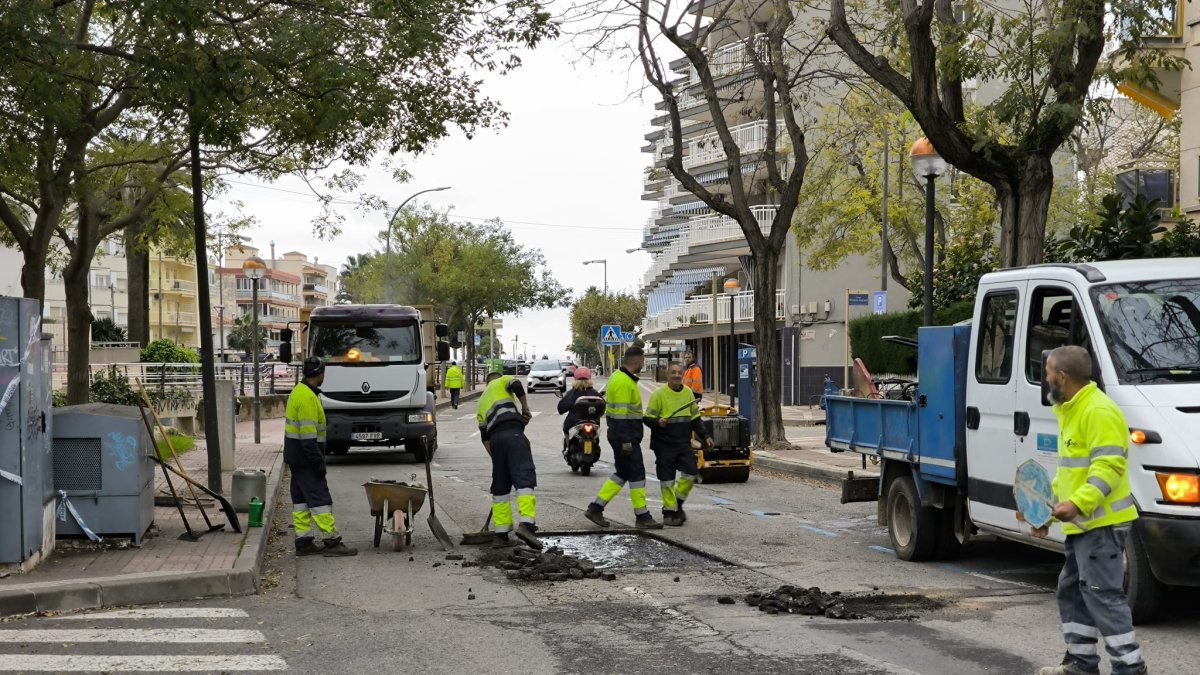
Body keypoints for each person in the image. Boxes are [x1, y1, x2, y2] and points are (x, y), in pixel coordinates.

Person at [1032, 346, 1145, 675]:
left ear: (1062, 377)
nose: (1046, 379)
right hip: (1084, 526)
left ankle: (1130, 668)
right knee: (1073, 592)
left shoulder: (1097, 411)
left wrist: (1079, 504)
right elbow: (1069, 476)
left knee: (1103, 596)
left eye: (1048, 373)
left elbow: (1108, 467)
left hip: (1101, 525)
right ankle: (1081, 664)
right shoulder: (1072, 410)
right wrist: (1046, 515)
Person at [284, 357, 357, 557]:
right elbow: (308, 439)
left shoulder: (299, 392)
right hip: (306, 458)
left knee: (300, 502)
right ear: (320, 373)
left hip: (295, 457)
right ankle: (332, 542)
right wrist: (318, 463)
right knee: (320, 499)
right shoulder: (307, 397)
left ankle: (304, 542)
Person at [584, 347, 662, 530]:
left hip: (623, 436)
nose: (643, 364)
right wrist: (626, 441)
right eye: (643, 361)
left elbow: (625, 413)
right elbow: (620, 417)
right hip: (625, 438)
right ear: (637, 360)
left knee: (623, 473)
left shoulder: (622, 379)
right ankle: (642, 516)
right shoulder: (623, 382)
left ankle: (596, 507)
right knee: (637, 474)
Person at [476, 366, 541, 549]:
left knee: (500, 487)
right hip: (513, 435)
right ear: (495, 379)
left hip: (496, 442)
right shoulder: (502, 380)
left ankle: (501, 534)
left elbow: (485, 438)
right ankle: (527, 525)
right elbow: (517, 385)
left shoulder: (480, 403)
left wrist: (496, 458)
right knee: (524, 477)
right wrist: (525, 407)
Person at [645, 362, 713, 527]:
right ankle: (669, 513)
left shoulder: (688, 393)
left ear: (682, 374)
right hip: (664, 445)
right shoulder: (658, 395)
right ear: (667, 375)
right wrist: (658, 422)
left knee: (690, 473)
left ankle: (677, 504)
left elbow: (695, 418)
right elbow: (647, 418)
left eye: (679, 372)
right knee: (667, 480)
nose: (676, 375)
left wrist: (705, 436)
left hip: (683, 444)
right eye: (673, 372)